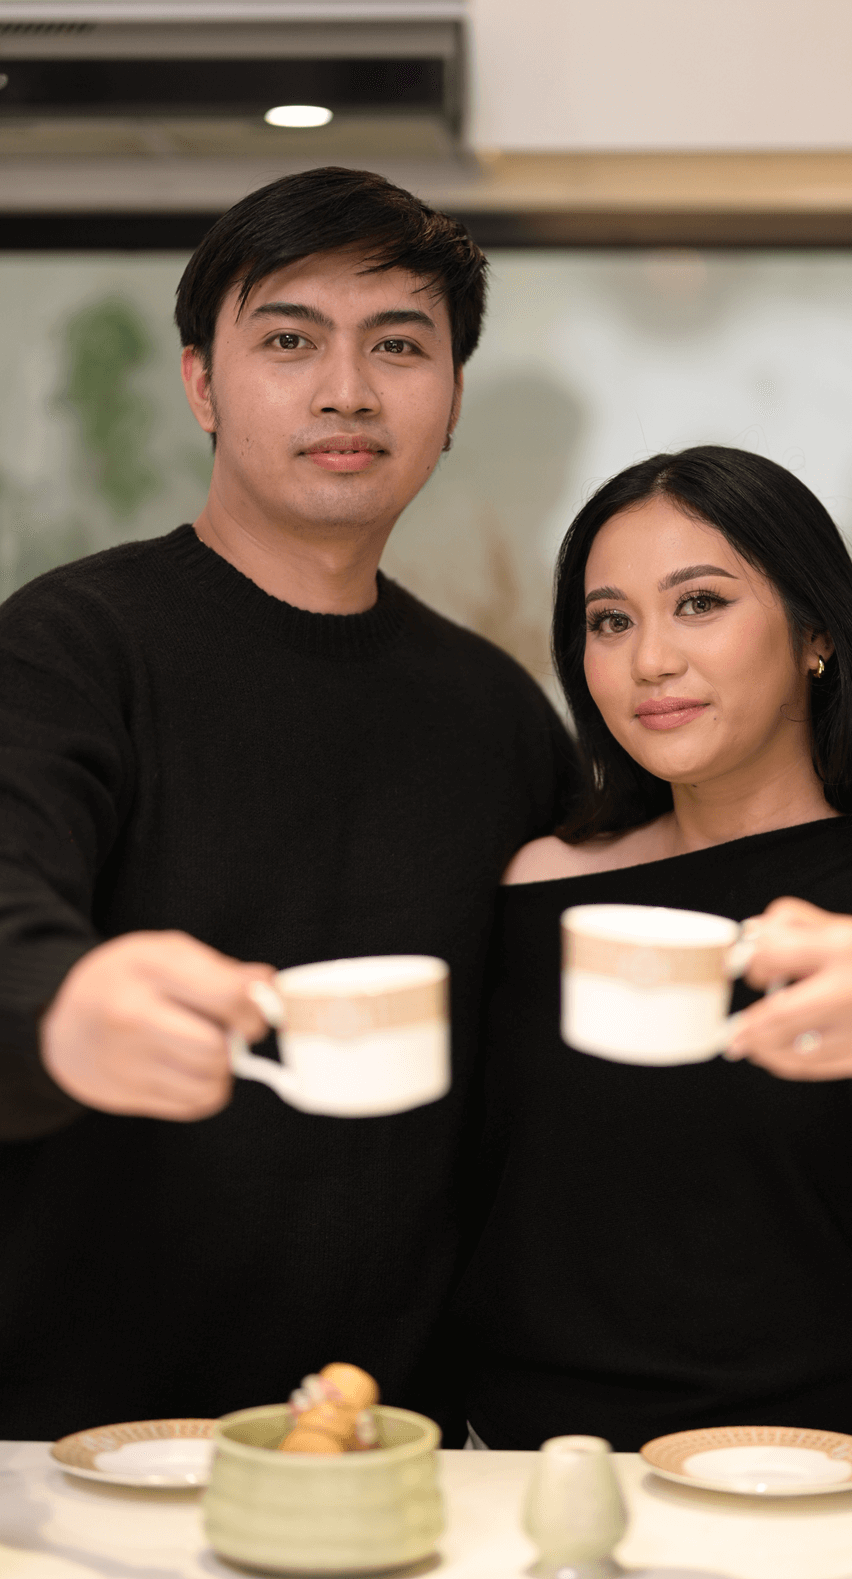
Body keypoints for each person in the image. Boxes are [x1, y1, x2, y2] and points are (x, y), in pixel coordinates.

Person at [0, 167, 578, 1440]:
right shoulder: (68, 648)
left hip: (387, 1445)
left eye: (398, 345)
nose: (346, 390)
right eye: (288, 340)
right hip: (77, 1443)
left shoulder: (495, 714)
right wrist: (63, 1003)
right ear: (202, 384)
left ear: (453, 399)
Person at [457, 446, 852, 1455]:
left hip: (824, 1475)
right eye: (610, 621)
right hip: (536, 1480)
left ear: (816, 632)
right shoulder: (536, 882)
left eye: (699, 603)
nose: (650, 659)